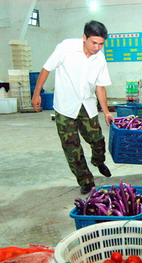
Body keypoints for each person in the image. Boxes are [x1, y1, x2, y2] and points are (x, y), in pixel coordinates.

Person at [31, 20, 113, 194]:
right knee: (71, 146)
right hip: (65, 106)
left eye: (101, 44)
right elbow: (46, 69)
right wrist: (36, 93)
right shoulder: (65, 48)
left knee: (97, 140)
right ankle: (86, 180)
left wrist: (106, 112)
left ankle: (98, 161)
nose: (97, 47)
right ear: (84, 38)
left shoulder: (100, 58)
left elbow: (100, 87)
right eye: (94, 43)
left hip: (87, 105)